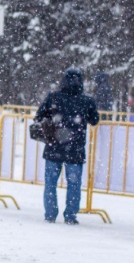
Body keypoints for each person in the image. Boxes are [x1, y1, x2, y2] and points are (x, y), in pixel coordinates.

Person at [36, 67, 100, 225]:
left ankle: (50, 214)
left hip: (54, 146)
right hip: (75, 148)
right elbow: (94, 120)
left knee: (50, 182)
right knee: (74, 184)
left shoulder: (54, 97)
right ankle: (70, 215)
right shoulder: (86, 101)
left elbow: (39, 116)